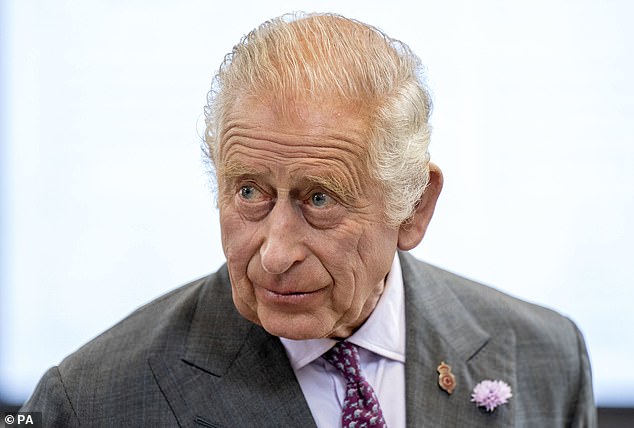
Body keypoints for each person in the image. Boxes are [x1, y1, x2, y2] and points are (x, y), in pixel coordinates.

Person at [22, 12, 596, 427]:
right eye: (249, 192)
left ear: (415, 207)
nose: (275, 253)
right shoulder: (89, 402)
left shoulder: (548, 358)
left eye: (319, 199)